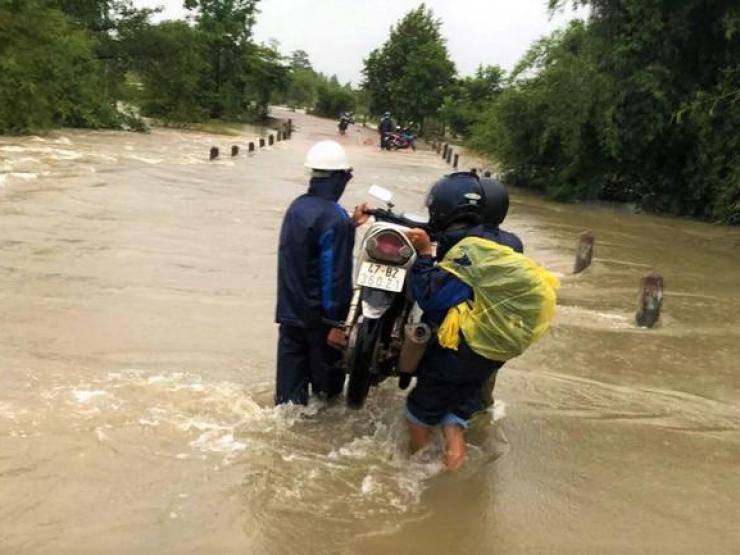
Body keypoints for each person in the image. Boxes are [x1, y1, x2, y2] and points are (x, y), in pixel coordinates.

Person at [402, 172, 524, 470]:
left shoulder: (469, 252)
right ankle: (455, 482)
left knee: (417, 416)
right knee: (454, 419)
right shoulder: (507, 245)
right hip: (488, 352)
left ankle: (419, 475)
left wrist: (424, 256)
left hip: (454, 354)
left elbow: (431, 296)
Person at [275, 140, 369, 405]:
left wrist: (349, 225)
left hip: (290, 316)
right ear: (339, 178)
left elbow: (307, 256)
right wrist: (338, 324)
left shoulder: (296, 208)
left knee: (288, 403)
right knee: (327, 400)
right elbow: (335, 278)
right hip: (320, 324)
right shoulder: (333, 218)